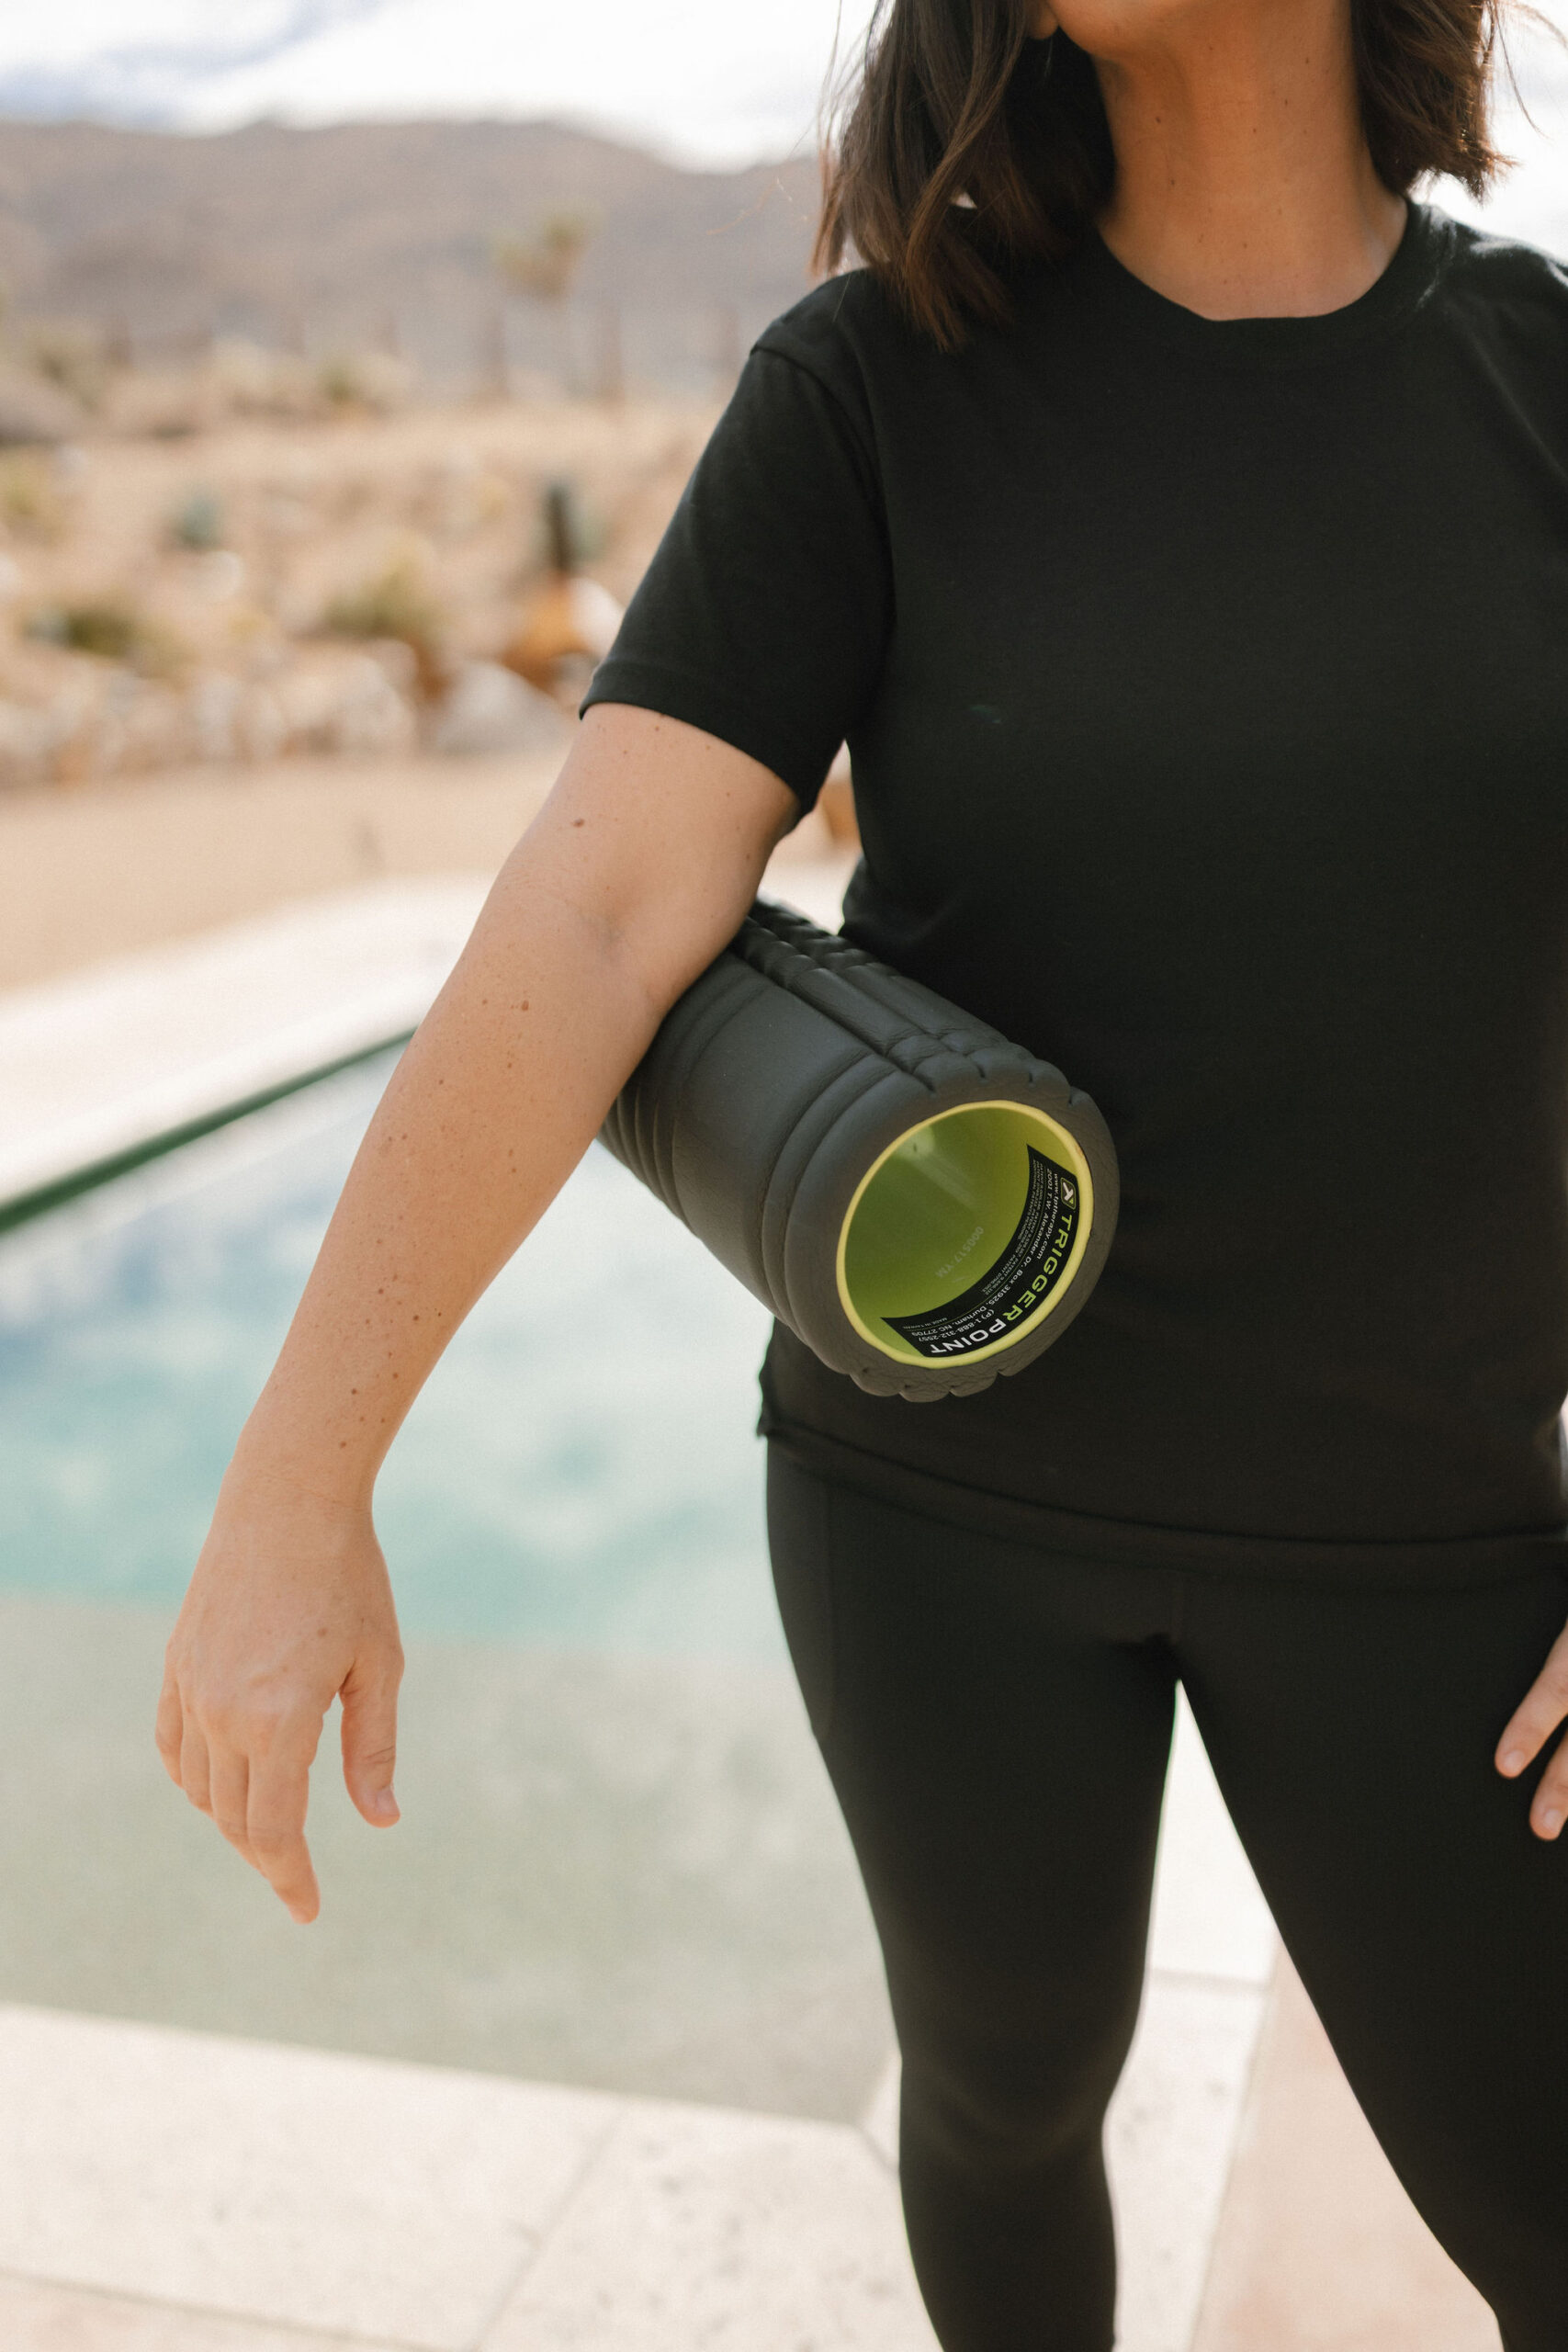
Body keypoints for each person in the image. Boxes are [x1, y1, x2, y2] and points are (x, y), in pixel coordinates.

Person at [157, 0, 1568, 2338]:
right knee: (1003, 2089)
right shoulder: (874, 388)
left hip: (1425, 1524)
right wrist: (295, 1482)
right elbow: (601, 910)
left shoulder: (1537, 387)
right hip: (939, 1505)